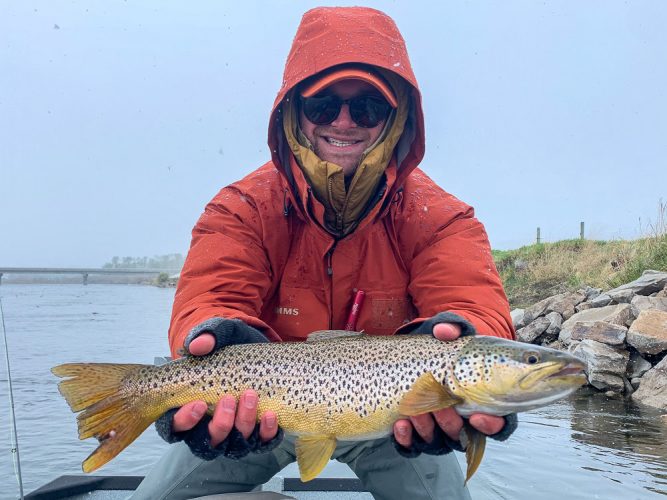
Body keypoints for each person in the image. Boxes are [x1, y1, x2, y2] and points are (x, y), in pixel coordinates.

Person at [132, 6, 515, 500]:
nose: (344, 121)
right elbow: (211, 297)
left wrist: (469, 333)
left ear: (395, 118)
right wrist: (212, 332)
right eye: (323, 105)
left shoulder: (441, 218)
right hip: (264, 409)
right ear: (293, 111)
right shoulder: (242, 209)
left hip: (394, 416)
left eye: (368, 109)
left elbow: (475, 306)